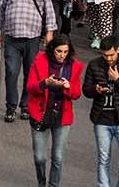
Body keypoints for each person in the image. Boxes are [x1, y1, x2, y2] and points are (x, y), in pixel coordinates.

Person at [0, 0, 57, 122]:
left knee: (31, 74)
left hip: (32, 38)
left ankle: (26, 105)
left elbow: (49, 12)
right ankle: (10, 107)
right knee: (11, 72)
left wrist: (49, 33)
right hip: (12, 38)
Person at [82, 36, 119, 187]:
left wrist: (118, 79)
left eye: (111, 55)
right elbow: (86, 90)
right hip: (101, 119)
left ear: (118, 50)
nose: (108, 58)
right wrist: (96, 89)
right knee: (103, 158)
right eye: (105, 55)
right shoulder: (94, 65)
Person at [26, 34, 83, 187]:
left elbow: (77, 93)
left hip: (62, 116)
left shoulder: (74, 66)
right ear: (52, 50)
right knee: (40, 158)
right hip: (41, 113)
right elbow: (30, 87)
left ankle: (53, 185)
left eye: (65, 52)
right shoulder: (39, 61)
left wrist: (68, 87)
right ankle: (41, 182)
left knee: (57, 157)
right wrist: (45, 83)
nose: (62, 55)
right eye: (59, 51)